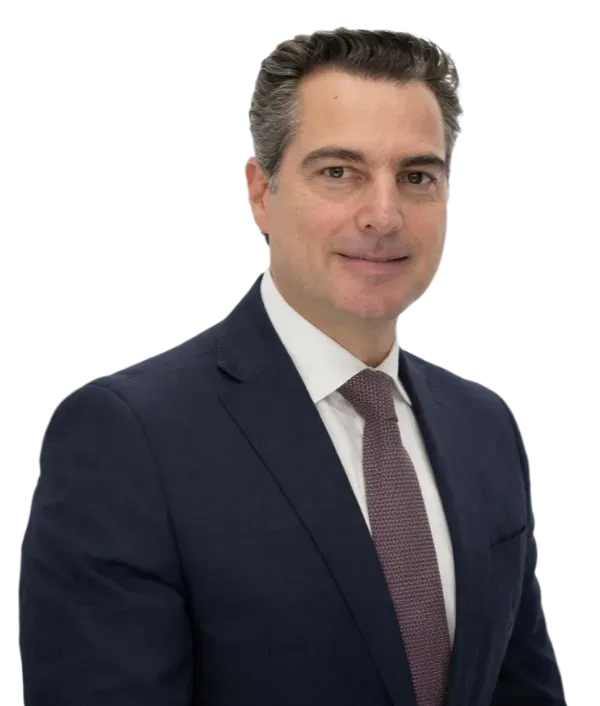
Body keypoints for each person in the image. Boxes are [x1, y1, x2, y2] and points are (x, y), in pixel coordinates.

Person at [18, 27, 567, 705]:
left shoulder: (483, 427)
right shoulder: (129, 438)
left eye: (416, 176)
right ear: (259, 191)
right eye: (339, 172)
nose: (384, 214)